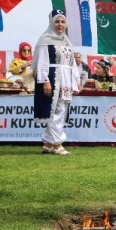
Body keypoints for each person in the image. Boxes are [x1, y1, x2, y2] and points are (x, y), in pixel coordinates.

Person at [32, 10, 80, 155]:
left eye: (63, 21)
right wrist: (45, 80)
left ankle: (48, 143)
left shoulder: (66, 41)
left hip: (66, 79)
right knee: (55, 110)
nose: (60, 25)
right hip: (53, 78)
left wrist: (75, 82)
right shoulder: (45, 40)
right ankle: (57, 143)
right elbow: (42, 62)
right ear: (51, 23)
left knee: (60, 110)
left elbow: (72, 64)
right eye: (57, 21)